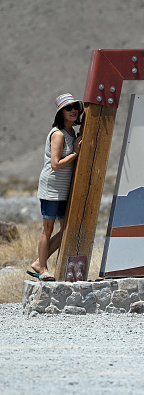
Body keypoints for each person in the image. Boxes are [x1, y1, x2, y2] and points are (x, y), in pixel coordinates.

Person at [27, 93, 83, 282]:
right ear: (61, 113)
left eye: (75, 106)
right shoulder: (58, 134)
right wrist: (75, 152)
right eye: (68, 108)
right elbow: (55, 164)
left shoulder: (71, 134)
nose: (73, 110)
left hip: (64, 189)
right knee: (48, 229)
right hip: (51, 187)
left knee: (66, 229)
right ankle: (43, 269)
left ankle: (37, 262)